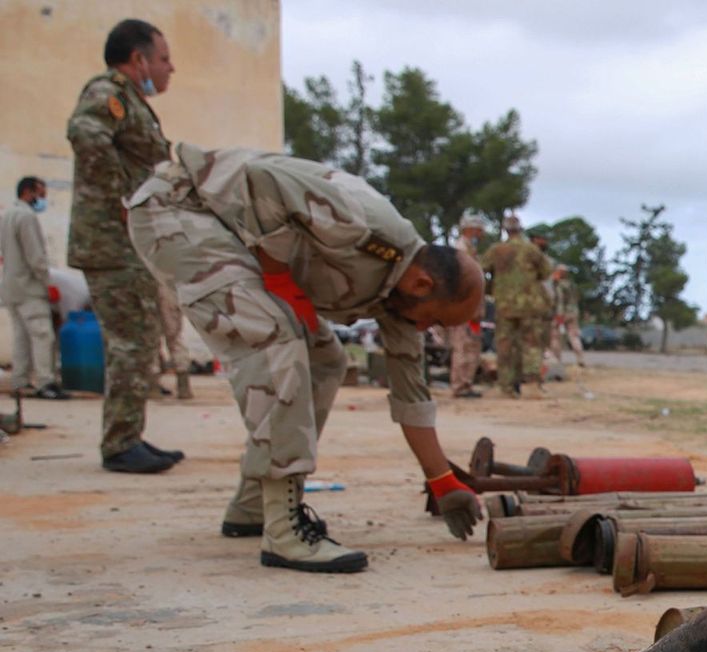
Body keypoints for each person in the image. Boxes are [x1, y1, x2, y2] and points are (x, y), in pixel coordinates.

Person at [127, 144, 486, 573]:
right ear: (423, 285)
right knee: (276, 335)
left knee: (326, 358)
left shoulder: (399, 302)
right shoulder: (364, 224)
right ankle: (284, 531)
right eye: (434, 320)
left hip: (229, 236)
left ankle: (254, 503)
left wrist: (443, 482)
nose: (428, 330)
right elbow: (263, 178)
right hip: (180, 211)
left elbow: (412, 398)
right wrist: (280, 280)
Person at [67, 17, 182, 473]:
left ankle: (128, 434)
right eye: (164, 58)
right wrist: (123, 199)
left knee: (140, 336)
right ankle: (119, 444)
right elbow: (85, 134)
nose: (170, 69)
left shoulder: (129, 100)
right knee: (132, 340)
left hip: (125, 243)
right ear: (139, 60)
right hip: (112, 241)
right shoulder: (108, 93)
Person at [2, 176, 66, 399]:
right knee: (42, 335)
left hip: (11, 286)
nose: (42, 200)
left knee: (21, 336)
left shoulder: (7, 214)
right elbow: (35, 256)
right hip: (29, 287)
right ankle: (45, 382)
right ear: (29, 192)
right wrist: (47, 282)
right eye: (41, 194)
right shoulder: (26, 217)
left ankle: (20, 381)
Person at [481, 215, 552, 397]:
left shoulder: (496, 250)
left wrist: (493, 286)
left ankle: (506, 387)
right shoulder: (531, 250)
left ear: (506, 230)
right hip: (530, 304)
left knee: (504, 346)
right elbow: (545, 272)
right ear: (521, 229)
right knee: (531, 345)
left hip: (504, 305)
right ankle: (531, 386)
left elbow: (481, 269)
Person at [446, 209, 489, 397]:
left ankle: (466, 383)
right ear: (470, 230)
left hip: (472, 308)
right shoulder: (460, 251)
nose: (482, 235)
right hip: (463, 307)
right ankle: (460, 385)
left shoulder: (471, 251)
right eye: (479, 231)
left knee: (472, 346)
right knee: (462, 346)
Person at [153, 281, 192, 398]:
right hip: (169, 288)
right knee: (175, 338)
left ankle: (153, 385)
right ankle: (183, 386)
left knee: (152, 341)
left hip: (148, 288)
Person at [548, 263, 585, 367]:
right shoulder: (572, 285)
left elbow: (560, 301)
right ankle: (580, 358)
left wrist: (559, 317)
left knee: (555, 336)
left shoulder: (559, 285)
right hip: (574, 312)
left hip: (563, 313)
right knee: (574, 336)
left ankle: (557, 359)